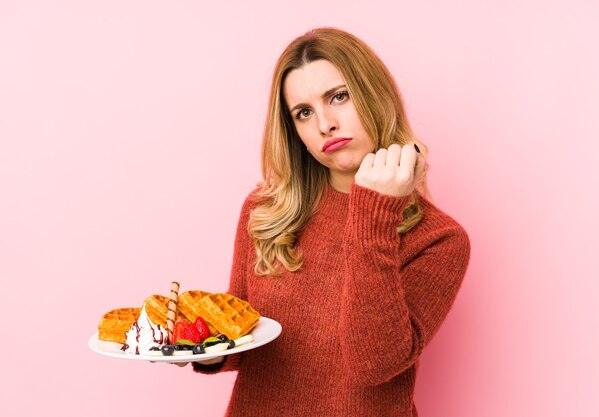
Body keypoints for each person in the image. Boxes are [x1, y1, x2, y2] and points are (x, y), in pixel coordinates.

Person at [189, 27, 470, 416]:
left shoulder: (439, 239)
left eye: (338, 97)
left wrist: (375, 213)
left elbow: (374, 364)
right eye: (303, 113)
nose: (324, 124)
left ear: (375, 94)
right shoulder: (265, 210)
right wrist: (200, 347)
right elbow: (244, 336)